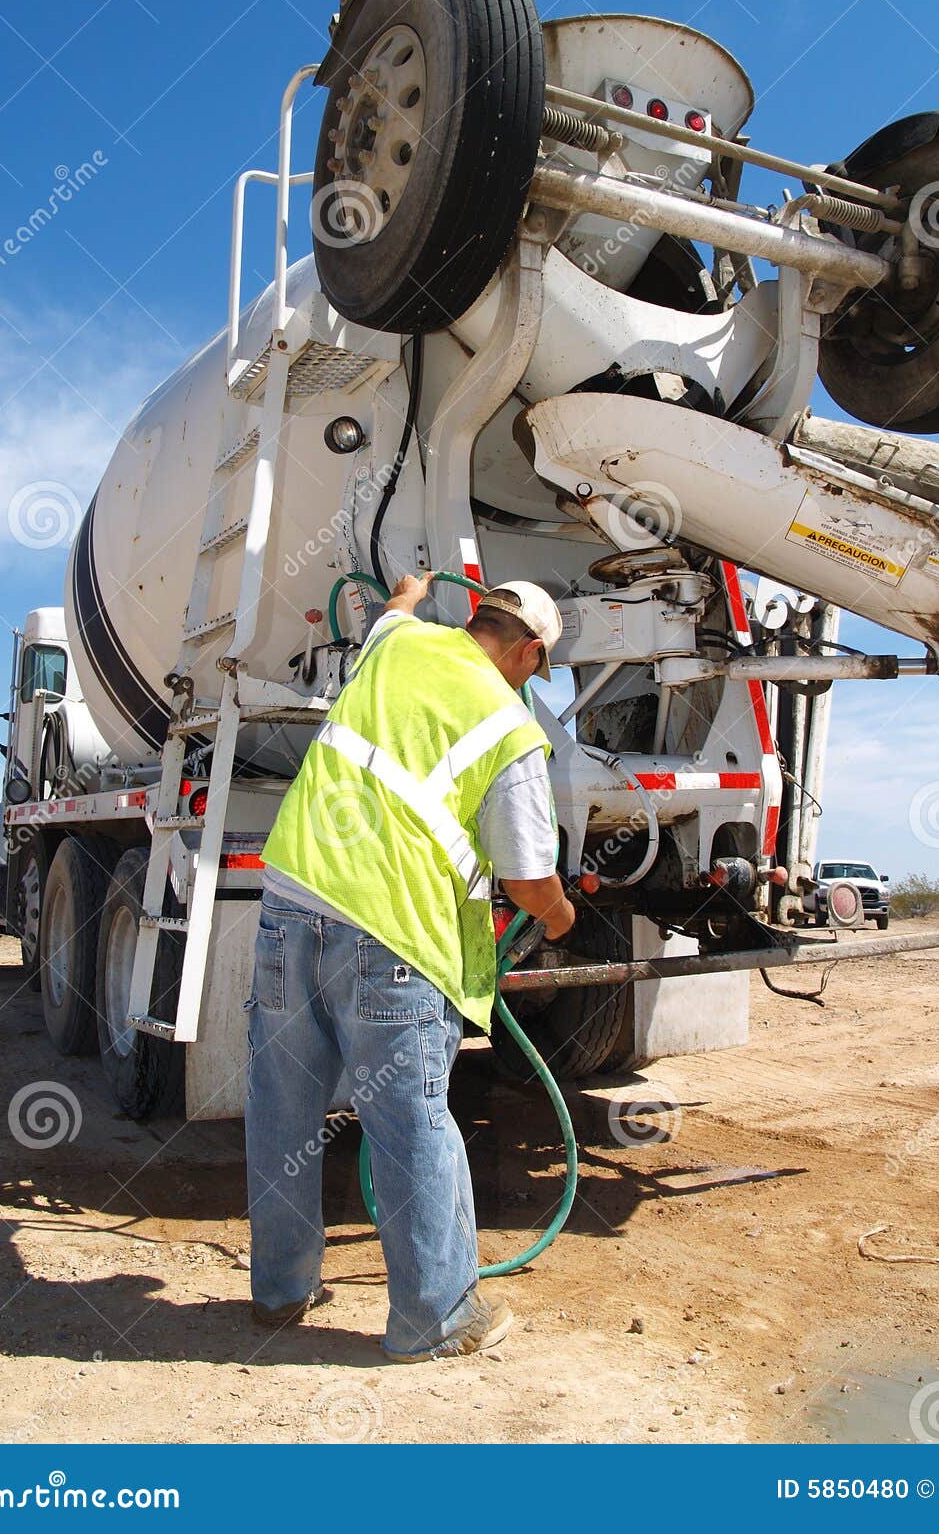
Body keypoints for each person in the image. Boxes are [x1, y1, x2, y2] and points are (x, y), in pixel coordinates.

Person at [244, 574, 576, 1361]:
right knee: (411, 1125)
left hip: (289, 903)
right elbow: (530, 881)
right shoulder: (509, 727)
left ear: (474, 617)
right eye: (539, 667)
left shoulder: (397, 644)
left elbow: (388, 616)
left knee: (282, 1112)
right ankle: (435, 1317)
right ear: (529, 651)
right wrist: (564, 919)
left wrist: (407, 591)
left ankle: (280, 1293)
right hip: (390, 937)